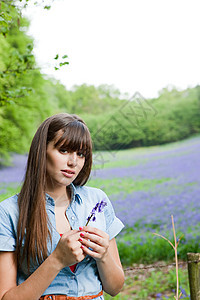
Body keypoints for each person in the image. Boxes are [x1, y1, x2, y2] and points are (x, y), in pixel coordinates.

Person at [0, 113, 125, 300]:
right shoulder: (9, 212)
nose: (73, 162)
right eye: (64, 150)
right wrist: (57, 260)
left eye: (81, 154)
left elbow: (114, 288)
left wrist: (104, 256)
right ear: (42, 151)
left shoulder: (97, 201)